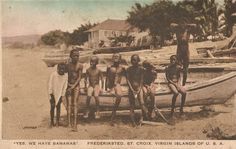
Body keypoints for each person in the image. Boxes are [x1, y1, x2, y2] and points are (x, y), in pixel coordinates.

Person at [126, 54, 148, 126]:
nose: (133, 61)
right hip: (131, 89)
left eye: (135, 60)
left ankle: (143, 118)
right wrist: (132, 89)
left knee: (142, 103)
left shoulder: (141, 69)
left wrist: (139, 89)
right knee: (132, 106)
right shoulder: (129, 69)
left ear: (138, 61)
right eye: (132, 60)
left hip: (139, 88)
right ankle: (133, 122)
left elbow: (141, 80)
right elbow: (128, 80)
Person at [105, 53, 126, 125]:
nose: (115, 58)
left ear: (120, 59)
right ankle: (113, 115)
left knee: (119, 95)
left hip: (117, 84)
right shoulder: (109, 67)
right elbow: (107, 78)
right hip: (111, 85)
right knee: (118, 94)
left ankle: (113, 114)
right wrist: (105, 88)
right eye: (114, 57)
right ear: (112, 58)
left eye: (117, 57)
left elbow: (128, 77)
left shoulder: (122, 68)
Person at [67, 48, 83, 131]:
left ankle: (75, 123)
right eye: (74, 56)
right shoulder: (68, 65)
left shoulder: (80, 65)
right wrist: (68, 85)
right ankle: (69, 123)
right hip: (68, 85)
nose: (76, 57)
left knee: (75, 104)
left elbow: (79, 77)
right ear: (71, 56)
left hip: (76, 86)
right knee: (69, 104)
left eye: (77, 56)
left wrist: (73, 86)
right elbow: (66, 76)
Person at [48, 63, 68, 127]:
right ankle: (51, 122)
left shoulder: (65, 76)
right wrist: (51, 94)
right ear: (57, 69)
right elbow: (50, 84)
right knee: (52, 107)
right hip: (52, 93)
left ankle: (57, 122)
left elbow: (65, 87)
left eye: (63, 69)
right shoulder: (53, 75)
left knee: (58, 107)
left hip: (60, 94)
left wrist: (62, 95)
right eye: (60, 69)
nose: (62, 71)